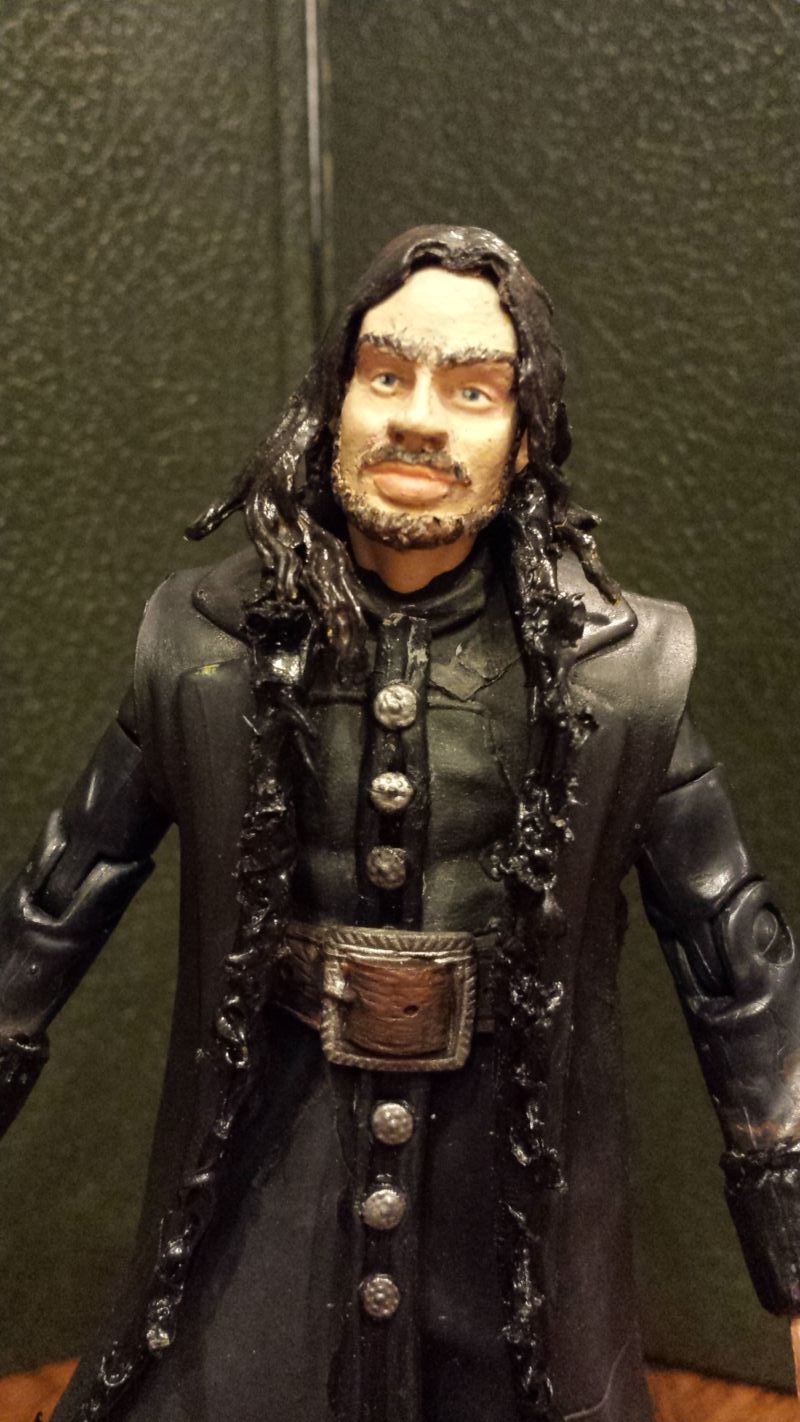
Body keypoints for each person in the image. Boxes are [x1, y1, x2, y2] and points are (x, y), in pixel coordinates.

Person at [0, 225, 797, 1422]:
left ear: (523, 437)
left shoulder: (620, 677)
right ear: (334, 403)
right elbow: (55, 903)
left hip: (508, 1206)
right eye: (386, 375)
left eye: (471, 390)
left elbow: (736, 966)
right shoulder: (200, 649)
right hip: (263, 1182)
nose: (419, 418)